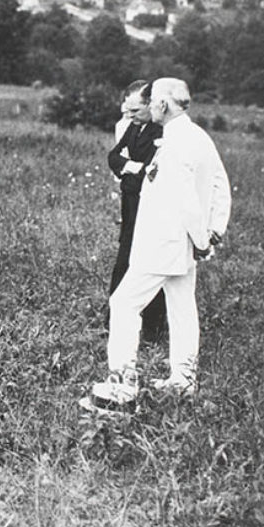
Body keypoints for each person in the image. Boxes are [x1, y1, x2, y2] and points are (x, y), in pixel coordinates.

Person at [82, 78, 231, 412]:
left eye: (152, 103)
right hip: (181, 245)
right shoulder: (198, 137)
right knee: (182, 308)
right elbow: (221, 184)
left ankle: (121, 389)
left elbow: (186, 199)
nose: (148, 107)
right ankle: (183, 380)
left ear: (163, 105)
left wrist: (204, 239)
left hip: (164, 242)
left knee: (123, 304)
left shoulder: (176, 144)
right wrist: (215, 230)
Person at [108, 80, 167, 342]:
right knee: (125, 259)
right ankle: (115, 320)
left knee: (150, 265)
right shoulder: (134, 128)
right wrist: (134, 168)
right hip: (130, 206)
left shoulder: (159, 132)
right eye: (128, 111)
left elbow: (151, 175)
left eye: (135, 110)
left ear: (150, 104)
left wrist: (128, 169)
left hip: (149, 208)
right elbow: (113, 157)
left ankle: (152, 328)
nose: (129, 116)